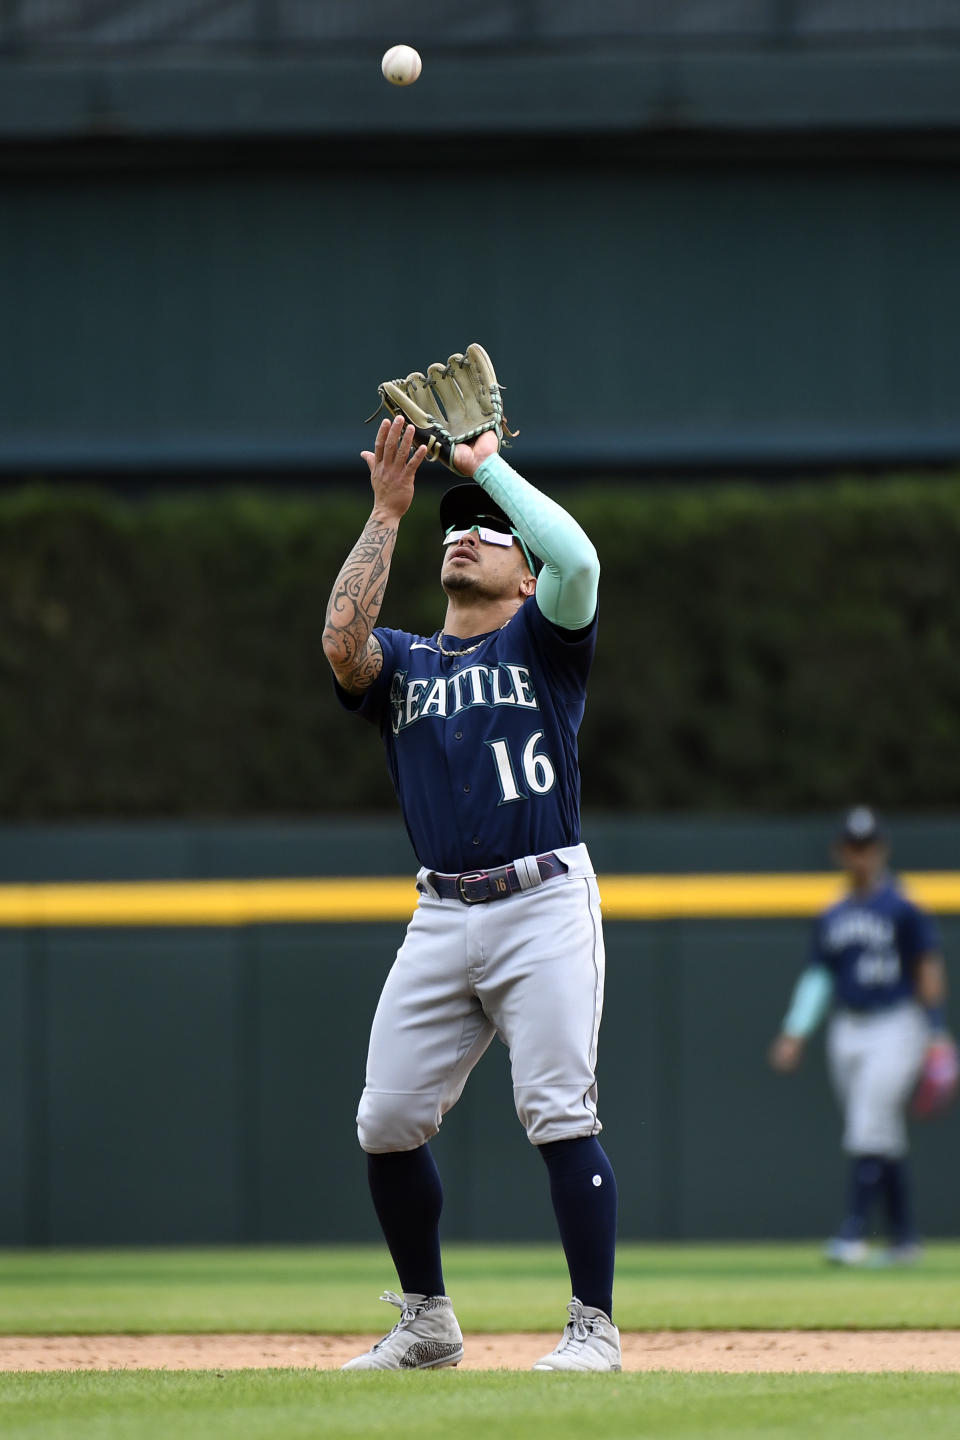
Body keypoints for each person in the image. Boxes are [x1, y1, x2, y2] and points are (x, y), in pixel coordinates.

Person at [321, 412, 620, 1371]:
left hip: (542, 901)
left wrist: (490, 467)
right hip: (442, 910)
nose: (467, 533)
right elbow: (339, 643)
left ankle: (593, 1330)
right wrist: (389, 510)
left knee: (559, 1112)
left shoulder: (546, 641)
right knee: (386, 1120)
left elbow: (580, 559)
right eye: (458, 527)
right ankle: (427, 1322)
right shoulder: (406, 662)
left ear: (525, 573)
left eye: (490, 528)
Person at [768, 805, 950, 1265]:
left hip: (897, 1022)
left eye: (867, 847)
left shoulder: (905, 906)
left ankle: (853, 1233)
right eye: (853, 847)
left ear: (881, 850)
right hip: (847, 1026)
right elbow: (819, 977)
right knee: (881, 1133)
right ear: (840, 851)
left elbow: (928, 970)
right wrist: (795, 1030)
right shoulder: (832, 913)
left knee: (868, 1123)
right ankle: (905, 1238)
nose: (861, 856)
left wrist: (938, 1033)